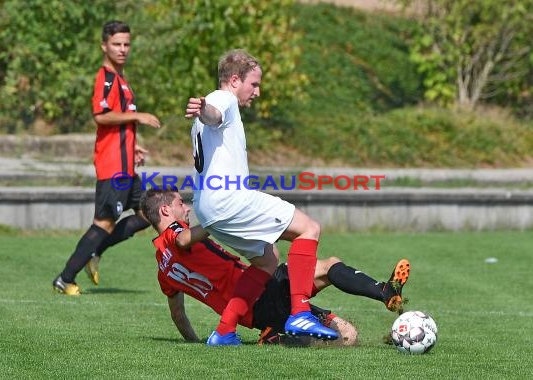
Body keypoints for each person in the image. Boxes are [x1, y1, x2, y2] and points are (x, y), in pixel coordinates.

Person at [185, 49, 342, 345]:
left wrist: (203, 111)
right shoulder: (224, 98)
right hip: (230, 200)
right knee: (309, 228)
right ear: (234, 80)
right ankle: (300, 311)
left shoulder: (219, 105)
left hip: (207, 209)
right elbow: (214, 114)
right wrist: (205, 107)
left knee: (268, 261)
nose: (257, 92)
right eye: (253, 84)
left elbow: (210, 119)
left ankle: (224, 331)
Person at [139, 188, 411, 346]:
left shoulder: (163, 270)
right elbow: (185, 238)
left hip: (256, 301)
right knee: (344, 323)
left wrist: (194, 343)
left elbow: (178, 315)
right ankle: (277, 335)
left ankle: (385, 292)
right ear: (165, 211)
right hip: (257, 294)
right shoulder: (175, 233)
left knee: (333, 282)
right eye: (179, 203)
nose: (185, 208)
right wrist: (217, 218)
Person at [52, 20, 161, 295]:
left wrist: (132, 145)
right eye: (116, 44)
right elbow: (101, 116)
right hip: (112, 167)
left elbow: (117, 124)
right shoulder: (107, 77)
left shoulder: (122, 80)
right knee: (103, 223)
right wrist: (139, 115)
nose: (123, 49)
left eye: (126, 44)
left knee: (148, 213)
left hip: (126, 165)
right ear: (104, 46)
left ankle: (94, 252)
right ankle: (65, 278)